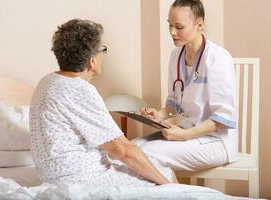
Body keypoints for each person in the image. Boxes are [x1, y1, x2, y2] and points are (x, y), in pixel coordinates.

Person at [29, 19, 176, 186]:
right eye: (102, 50)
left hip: (52, 176)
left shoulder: (47, 81)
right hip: (82, 178)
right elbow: (123, 150)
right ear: (91, 60)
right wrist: (168, 186)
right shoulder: (79, 90)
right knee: (167, 175)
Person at [133, 0, 237, 172]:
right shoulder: (176, 56)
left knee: (147, 152)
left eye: (179, 27)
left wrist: (185, 135)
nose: (172, 32)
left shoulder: (218, 58)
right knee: (132, 146)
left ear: (199, 24)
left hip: (216, 142)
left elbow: (223, 118)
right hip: (185, 133)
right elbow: (174, 106)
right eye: (170, 25)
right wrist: (159, 115)